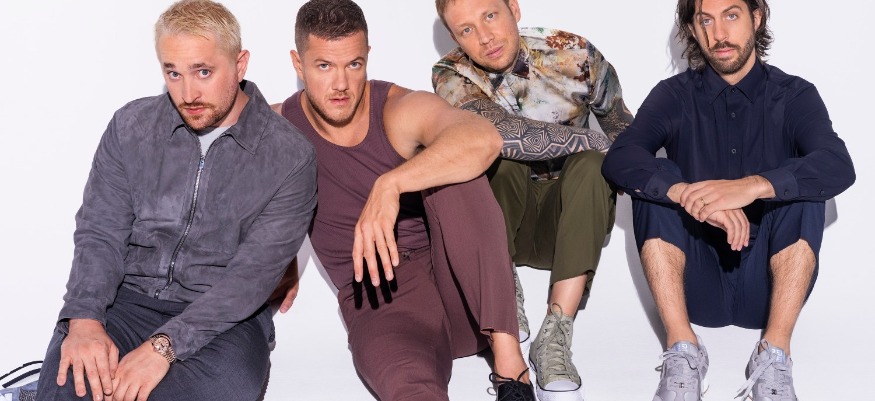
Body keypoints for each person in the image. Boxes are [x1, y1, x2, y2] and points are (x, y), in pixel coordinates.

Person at [35, 1, 317, 400]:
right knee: (68, 388)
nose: (188, 94)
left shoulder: (289, 156)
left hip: (225, 322)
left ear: (240, 65)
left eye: (203, 72)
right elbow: (100, 232)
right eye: (173, 73)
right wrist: (84, 320)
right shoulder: (131, 126)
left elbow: (251, 279)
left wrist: (163, 347)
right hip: (123, 304)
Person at [271, 0, 544, 399]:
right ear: (299, 64)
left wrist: (391, 185)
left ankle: (510, 367)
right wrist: (279, 255)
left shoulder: (397, 108)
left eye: (353, 64)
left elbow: (483, 139)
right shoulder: (279, 128)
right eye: (324, 66)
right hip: (380, 299)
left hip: (461, 290)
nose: (341, 84)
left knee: (456, 170)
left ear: (368, 57)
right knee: (408, 387)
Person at [601, 0, 855, 400]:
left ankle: (774, 354)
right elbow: (620, 158)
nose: (718, 34)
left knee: (802, 185)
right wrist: (690, 195)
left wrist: (753, 185)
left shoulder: (794, 95)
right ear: (692, 28)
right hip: (693, 284)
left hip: (771, 288)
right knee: (656, 181)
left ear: (756, 17)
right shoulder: (674, 95)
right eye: (705, 20)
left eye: (731, 15)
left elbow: (838, 164)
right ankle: (682, 349)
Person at [432, 0, 633, 399]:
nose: (485, 37)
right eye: (466, 30)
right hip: (505, 229)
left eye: (490, 16)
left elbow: (621, 126)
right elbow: (501, 134)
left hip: (572, 225)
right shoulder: (451, 74)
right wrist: (593, 141)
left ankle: (555, 335)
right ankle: (505, 298)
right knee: (495, 154)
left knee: (594, 166)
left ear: (514, 9)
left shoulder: (574, 53)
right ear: (454, 38)